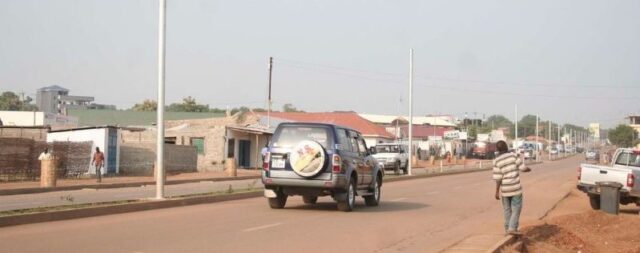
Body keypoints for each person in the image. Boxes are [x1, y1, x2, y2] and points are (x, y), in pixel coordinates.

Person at [492, 140, 531, 235]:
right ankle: (512, 228)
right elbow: (523, 168)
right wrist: (528, 169)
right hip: (515, 188)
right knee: (516, 209)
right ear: (506, 147)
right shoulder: (513, 156)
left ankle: (508, 230)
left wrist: (497, 192)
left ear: (497, 149)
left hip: (505, 190)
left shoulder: (496, 161)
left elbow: (498, 178)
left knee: (507, 210)